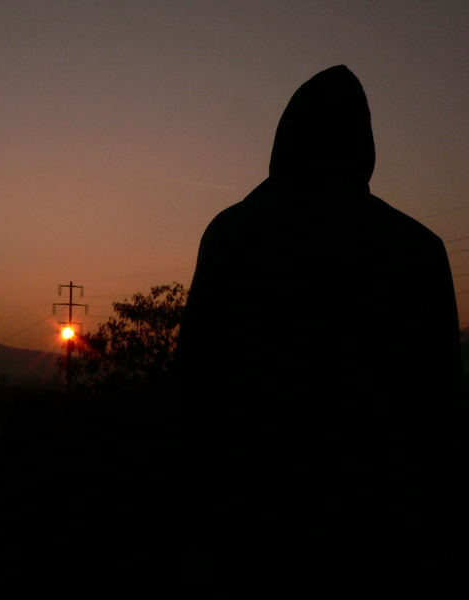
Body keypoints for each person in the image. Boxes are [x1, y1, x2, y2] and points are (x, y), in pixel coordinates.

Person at [176, 65, 465, 593]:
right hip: (379, 516)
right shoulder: (415, 248)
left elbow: (192, 386)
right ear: (365, 144)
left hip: (244, 505)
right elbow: (441, 404)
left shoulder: (233, 232)